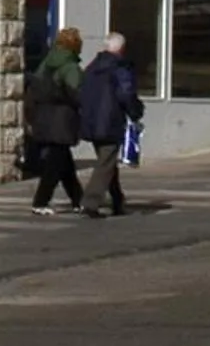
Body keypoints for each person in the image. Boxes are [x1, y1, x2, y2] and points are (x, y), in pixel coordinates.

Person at [77, 33, 142, 219]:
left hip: (92, 121)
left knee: (108, 161)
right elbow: (126, 94)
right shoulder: (119, 68)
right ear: (122, 49)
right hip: (110, 121)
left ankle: (117, 200)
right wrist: (135, 112)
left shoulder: (92, 67)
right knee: (105, 163)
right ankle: (90, 202)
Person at [25, 25, 84, 214]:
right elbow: (77, 94)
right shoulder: (71, 67)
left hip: (44, 117)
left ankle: (78, 199)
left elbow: (34, 90)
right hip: (63, 119)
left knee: (64, 162)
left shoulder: (45, 64)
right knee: (55, 164)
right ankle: (40, 201)